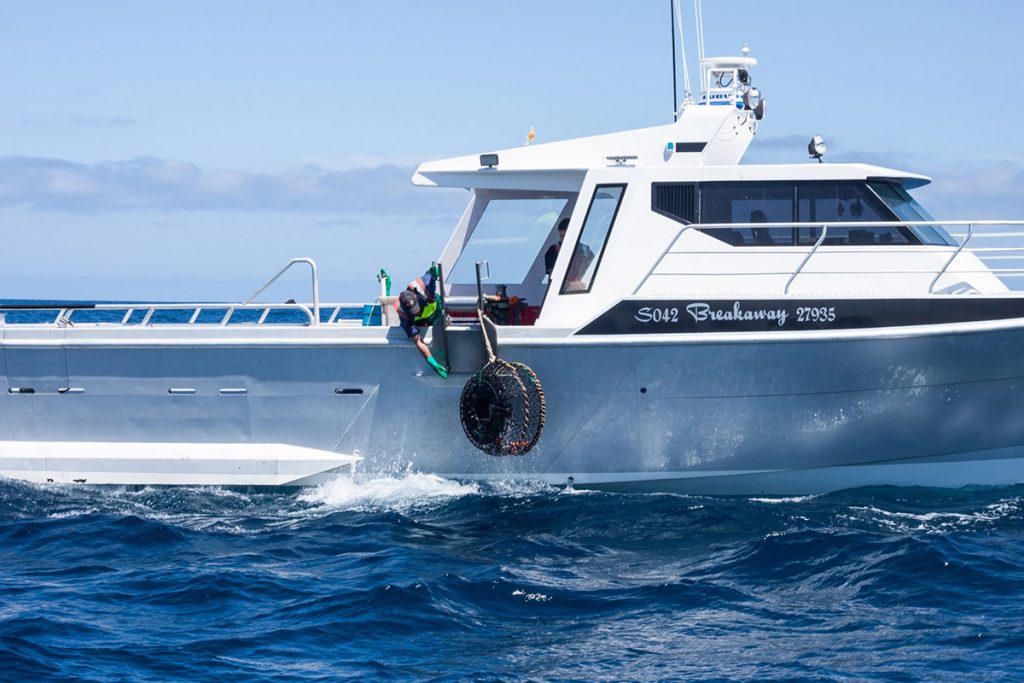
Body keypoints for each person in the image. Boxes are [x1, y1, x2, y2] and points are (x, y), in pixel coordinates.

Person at [396, 268, 448, 378]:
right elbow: (418, 342)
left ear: (416, 298)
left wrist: (434, 272)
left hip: (440, 312)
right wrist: (432, 363)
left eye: (416, 309)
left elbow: (430, 274)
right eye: (413, 313)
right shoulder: (404, 317)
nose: (417, 313)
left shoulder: (424, 286)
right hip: (427, 322)